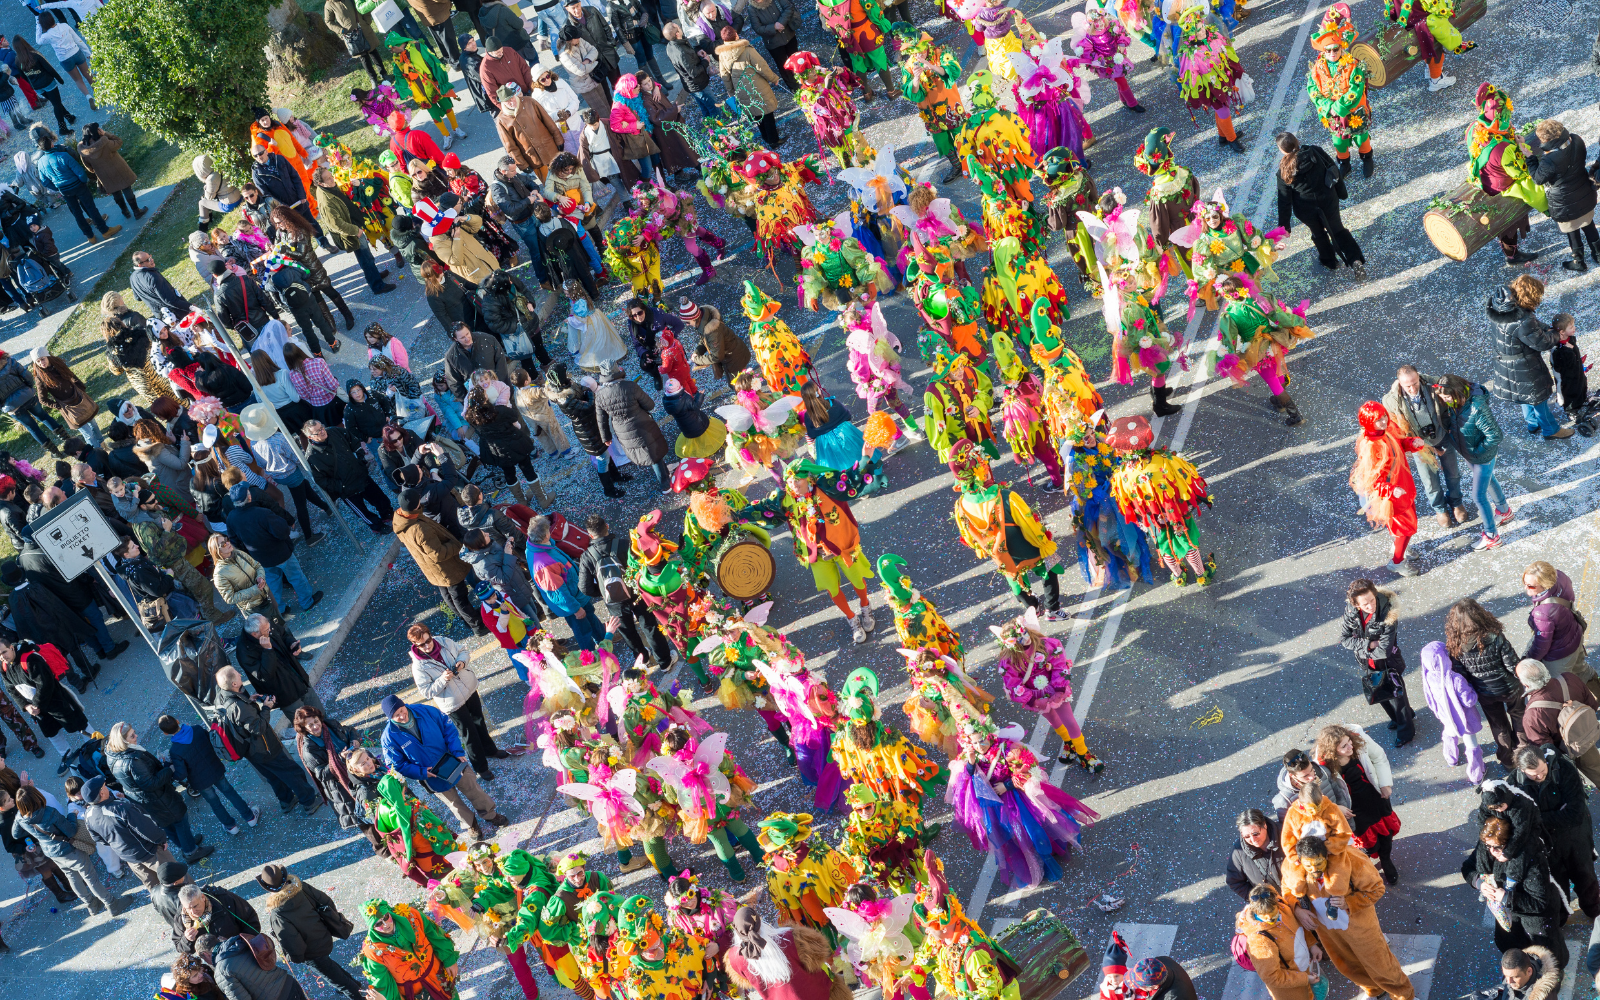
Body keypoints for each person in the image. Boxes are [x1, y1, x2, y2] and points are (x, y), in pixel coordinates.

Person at [380, 694, 509, 838]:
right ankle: (471, 825)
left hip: (452, 761)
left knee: (474, 789)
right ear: (389, 718)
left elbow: (449, 730)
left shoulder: (425, 711)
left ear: (404, 705)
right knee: (453, 803)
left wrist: (457, 751)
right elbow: (397, 765)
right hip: (430, 776)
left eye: (402, 710)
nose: (402, 716)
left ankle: (490, 814)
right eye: (397, 715)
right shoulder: (389, 737)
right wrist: (421, 772)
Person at [102, 722, 216, 864]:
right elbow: (150, 783)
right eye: (132, 736)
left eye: (134, 732)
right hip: (158, 798)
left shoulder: (113, 754)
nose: (136, 736)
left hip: (145, 800)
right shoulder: (132, 761)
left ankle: (186, 843)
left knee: (168, 824)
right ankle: (191, 851)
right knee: (180, 819)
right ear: (123, 740)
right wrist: (169, 769)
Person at [215, 666, 322, 816]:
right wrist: (266, 707)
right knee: (292, 772)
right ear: (233, 684)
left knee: (273, 776)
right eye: (237, 674)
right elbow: (258, 728)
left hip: (251, 751)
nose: (240, 674)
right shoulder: (238, 707)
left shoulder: (222, 696)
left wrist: (249, 700)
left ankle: (287, 801)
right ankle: (309, 801)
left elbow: (240, 718)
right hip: (265, 747)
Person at [407, 622, 507, 778]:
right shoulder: (419, 666)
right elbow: (426, 691)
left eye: (428, 641)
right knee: (469, 734)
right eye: (422, 645)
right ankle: (481, 768)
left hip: (469, 688)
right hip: (452, 703)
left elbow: (463, 651)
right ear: (415, 645)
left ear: (431, 636)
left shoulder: (443, 641)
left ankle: (490, 750)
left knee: (480, 721)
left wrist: (462, 662)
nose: (427, 646)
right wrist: (442, 680)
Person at [1511, 743, 1599, 919]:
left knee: (1585, 877)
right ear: (1522, 770)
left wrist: (1538, 818)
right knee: (1557, 883)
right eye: (1534, 775)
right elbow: (1519, 819)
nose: (1541, 776)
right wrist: (1558, 813)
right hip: (1545, 845)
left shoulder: (1562, 768)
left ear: (1545, 760)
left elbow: (1575, 813)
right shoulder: (1514, 784)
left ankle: (1595, 910)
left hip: (1575, 838)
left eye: (1543, 771)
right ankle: (1561, 916)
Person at [11, 785, 128, 916]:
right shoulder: (49, 812)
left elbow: (15, 834)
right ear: (37, 797)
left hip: (51, 853)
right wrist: (72, 815)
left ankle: (92, 905)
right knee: (90, 877)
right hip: (68, 849)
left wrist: (35, 835)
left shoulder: (20, 817)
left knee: (72, 877)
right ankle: (111, 904)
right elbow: (71, 830)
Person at [1469, 815, 1569, 968]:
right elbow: (1468, 867)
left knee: (1547, 966)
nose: (1491, 852)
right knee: (1517, 961)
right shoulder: (1489, 845)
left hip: (1536, 925)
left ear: (1509, 844)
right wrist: (1480, 883)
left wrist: (1507, 898)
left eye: (1496, 848)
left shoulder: (1533, 860)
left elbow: (1539, 902)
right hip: (1509, 925)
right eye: (1487, 846)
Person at [254, 863, 363, 1000]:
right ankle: (354, 984)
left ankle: (359, 994)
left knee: (334, 978)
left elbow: (291, 941)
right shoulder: (301, 887)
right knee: (329, 967)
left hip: (311, 952)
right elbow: (325, 901)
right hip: (324, 936)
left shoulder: (277, 912)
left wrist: (294, 958)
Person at [578, 512, 672, 667]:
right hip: (636, 594)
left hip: (614, 602)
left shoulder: (587, 557)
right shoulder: (624, 544)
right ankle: (665, 662)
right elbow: (642, 568)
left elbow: (584, 587)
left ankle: (644, 660)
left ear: (590, 535)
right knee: (649, 626)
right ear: (606, 526)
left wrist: (603, 592)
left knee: (628, 633)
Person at [1487, 275, 1571, 440]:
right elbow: (1541, 342)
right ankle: (1551, 430)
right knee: (1537, 399)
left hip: (1506, 363)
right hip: (1524, 366)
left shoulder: (1503, 307)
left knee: (1525, 396)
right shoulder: (1523, 319)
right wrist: (1556, 335)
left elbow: (1532, 327)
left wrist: (1547, 328)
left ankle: (1532, 423)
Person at [1313, 724, 1399, 883]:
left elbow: (1378, 756)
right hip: (1354, 809)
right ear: (1332, 750)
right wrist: (1336, 808)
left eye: (1349, 742)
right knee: (1367, 844)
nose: (1350, 746)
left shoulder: (1358, 739)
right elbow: (1320, 793)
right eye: (1344, 746)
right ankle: (1368, 866)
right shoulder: (1322, 766)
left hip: (1375, 796)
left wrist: (1385, 784)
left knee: (1386, 834)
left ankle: (1386, 861)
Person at [1444, 598, 1524, 769]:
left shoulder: (1455, 645)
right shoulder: (1495, 636)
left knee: (1498, 725)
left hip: (1485, 694)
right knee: (1518, 716)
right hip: (1509, 687)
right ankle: (1523, 752)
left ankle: (1508, 759)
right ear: (1480, 615)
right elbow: (1512, 664)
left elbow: (1461, 676)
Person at [1435, 374, 1511, 550]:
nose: (1445, 401)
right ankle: (1504, 511)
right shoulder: (1456, 403)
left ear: (1458, 392)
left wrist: (1478, 452)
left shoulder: (1477, 407)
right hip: (1470, 454)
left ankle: (1491, 536)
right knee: (1490, 480)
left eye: (1447, 397)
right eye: (1442, 398)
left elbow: (1496, 435)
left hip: (1481, 457)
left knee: (1478, 496)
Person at [1382, 365, 1463, 529]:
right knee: (1430, 481)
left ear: (1419, 377)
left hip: (1442, 436)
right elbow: (1395, 429)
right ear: (1399, 383)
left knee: (1453, 474)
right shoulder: (1390, 401)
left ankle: (1456, 503)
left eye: (1415, 383)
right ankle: (1440, 509)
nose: (1412, 389)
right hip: (1418, 445)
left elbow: (1453, 401)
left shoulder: (1434, 385)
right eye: (1408, 386)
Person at [1348, 401, 1423, 576]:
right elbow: (1371, 479)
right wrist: (1389, 490)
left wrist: (1412, 443)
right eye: (1378, 420)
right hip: (1393, 494)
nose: (1383, 421)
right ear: (1368, 423)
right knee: (1405, 526)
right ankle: (1397, 561)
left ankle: (1401, 547)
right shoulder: (1371, 447)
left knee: (1402, 526)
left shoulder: (1387, 430)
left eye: (1384, 417)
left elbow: (1400, 445)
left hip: (1401, 488)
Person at [225, 482, 324, 614]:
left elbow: (235, 541)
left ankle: (280, 609)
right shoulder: (262, 513)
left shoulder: (231, 518)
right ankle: (307, 601)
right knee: (296, 576)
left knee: (272, 583)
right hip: (281, 553)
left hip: (261, 559)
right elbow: (282, 530)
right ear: (248, 497)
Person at [393, 490, 483, 632]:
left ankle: (467, 620)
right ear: (416, 504)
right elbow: (437, 553)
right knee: (459, 597)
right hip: (445, 567)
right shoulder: (419, 528)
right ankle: (477, 626)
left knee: (448, 595)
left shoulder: (400, 518)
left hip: (431, 569)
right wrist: (458, 544)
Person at [1338, 578, 1415, 744]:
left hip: (1388, 662)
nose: (1370, 606)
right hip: (1368, 663)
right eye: (1365, 604)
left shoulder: (1388, 613)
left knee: (1397, 697)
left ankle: (1406, 732)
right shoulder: (1351, 611)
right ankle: (1400, 718)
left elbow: (1384, 650)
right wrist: (1369, 644)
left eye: (1372, 600)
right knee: (1381, 694)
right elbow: (1344, 639)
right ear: (1356, 604)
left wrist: (1360, 648)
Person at [159, 713, 261, 836]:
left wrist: (168, 766)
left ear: (165, 733)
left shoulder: (174, 750)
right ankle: (250, 817)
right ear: (177, 720)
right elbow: (210, 743)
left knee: (215, 803)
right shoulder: (197, 729)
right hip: (215, 768)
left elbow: (181, 774)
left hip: (200, 781)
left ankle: (231, 826)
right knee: (230, 792)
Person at [291, 706, 378, 850]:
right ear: (304, 728)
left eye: (316, 721)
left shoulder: (330, 725)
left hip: (359, 773)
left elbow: (350, 731)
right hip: (342, 787)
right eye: (310, 725)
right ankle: (383, 849)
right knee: (364, 819)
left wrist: (355, 740)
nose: (315, 726)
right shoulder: (309, 749)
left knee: (375, 808)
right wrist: (339, 759)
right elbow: (321, 774)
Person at [78, 774, 177, 889]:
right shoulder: (121, 808)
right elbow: (146, 828)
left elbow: (99, 839)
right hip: (150, 852)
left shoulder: (88, 815)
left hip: (130, 859)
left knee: (155, 888)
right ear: (101, 793)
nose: (106, 788)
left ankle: (164, 906)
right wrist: (161, 839)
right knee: (177, 878)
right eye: (104, 786)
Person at [525, 514, 609, 649]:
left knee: (590, 617)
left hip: (576, 596)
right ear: (546, 535)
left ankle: (603, 639)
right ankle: (591, 657)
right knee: (583, 631)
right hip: (572, 602)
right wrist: (575, 608)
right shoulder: (543, 564)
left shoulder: (536, 546)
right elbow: (558, 593)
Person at [311, 167, 397, 295]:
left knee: (366, 256)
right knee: (365, 258)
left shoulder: (328, 187)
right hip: (352, 232)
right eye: (328, 178)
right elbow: (336, 224)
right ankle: (377, 285)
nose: (332, 179)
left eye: (331, 175)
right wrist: (355, 230)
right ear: (321, 184)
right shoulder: (326, 202)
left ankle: (374, 276)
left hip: (355, 225)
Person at [1516, 658, 1600, 788]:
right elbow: (1593, 705)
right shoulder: (1569, 678)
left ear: (1526, 685)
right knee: (1596, 769)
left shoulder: (1532, 715)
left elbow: (1545, 750)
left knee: (1569, 787)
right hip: (1585, 737)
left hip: (1563, 752)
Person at [1527, 120, 1598, 272]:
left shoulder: (1550, 159)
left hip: (1564, 202)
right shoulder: (1577, 140)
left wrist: (1530, 158)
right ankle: (1598, 254)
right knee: (1588, 223)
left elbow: (1538, 179)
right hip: (1584, 192)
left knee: (1572, 230)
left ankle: (1578, 262)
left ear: (1546, 140)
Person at [302, 419, 393, 533]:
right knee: (362, 511)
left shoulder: (334, 431)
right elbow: (321, 480)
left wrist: (361, 459)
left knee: (379, 497)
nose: (322, 431)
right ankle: (377, 526)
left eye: (321, 427)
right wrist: (340, 486)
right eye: (318, 431)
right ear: (310, 437)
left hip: (359, 474)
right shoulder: (312, 456)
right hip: (346, 489)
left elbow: (353, 440)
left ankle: (387, 514)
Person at [594, 359, 671, 489]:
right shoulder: (630, 386)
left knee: (648, 454)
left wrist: (606, 437)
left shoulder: (600, 395)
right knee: (654, 455)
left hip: (622, 431)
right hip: (643, 425)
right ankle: (665, 485)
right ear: (617, 370)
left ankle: (665, 474)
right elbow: (650, 405)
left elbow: (601, 419)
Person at [35, 127, 120, 243]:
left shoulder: (41, 163)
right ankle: (105, 231)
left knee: (77, 213)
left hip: (64, 191)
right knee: (91, 208)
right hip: (78, 186)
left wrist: (57, 187)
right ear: (51, 145)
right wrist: (83, 181)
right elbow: (79, 171)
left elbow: (45, 181)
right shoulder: (63, 156)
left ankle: (90, 237)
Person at [1521, 560, 1595, 693]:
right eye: (1524, 583)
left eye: (1531, 586)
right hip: (1575, 636)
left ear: (1545, 585)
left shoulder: (1542, 613)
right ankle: (1597, 690)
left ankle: (1579, 707)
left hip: (1560, 654)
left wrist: (1529, 661)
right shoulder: (1560, 576)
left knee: (1560, 687)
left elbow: (1541, 645)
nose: (1526, 588)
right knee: (1582, 669)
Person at [236, 613, 319, 723]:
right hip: (286, 694)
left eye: (269, 626)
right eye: (266, 630)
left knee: (320, 715)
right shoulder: (244, 652)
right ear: (255, 634)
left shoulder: (267, 626)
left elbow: (283, 634)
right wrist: (268, 651)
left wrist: (292, 644)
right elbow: (264, 675)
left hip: (300, 679)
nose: (270, 630)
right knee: (306, 725)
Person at [715, 27, 782, 146]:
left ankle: (766, 137)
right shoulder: (746, 49)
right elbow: (761, 66)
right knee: (766, 113)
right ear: (736, 35)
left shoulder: (722, 55)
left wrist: (731, 92)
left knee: (756, 114)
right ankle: (774, 140)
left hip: (741, 89)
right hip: (757, 85)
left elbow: (725, 76)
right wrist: (773, 78)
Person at [77, 122, 142, 219]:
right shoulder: (104, 142)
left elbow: (89, 168)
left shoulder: (83, 150)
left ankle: (125, 212)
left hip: (104, 175)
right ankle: (136, 212)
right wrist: (106, 134)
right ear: (96, 131)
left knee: (115, 193)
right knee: (126, 189)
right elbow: (119, 141)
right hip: (119, 169)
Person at [1226, 808, 1293, 901]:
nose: (1253, 840)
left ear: (1264, 825)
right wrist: (1259, 899)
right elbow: (1234, 882)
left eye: (1256, 833)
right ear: (1241, 834)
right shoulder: (1239, 852)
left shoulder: (1285, 833)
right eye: (1247, 836)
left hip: (1300, 895)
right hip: (1273, 907)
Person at [662, 20, 718, 117]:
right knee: (714, 108)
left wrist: (696, 52)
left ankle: (710, 129)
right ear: (677, 34)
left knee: (705, 109)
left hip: (691, 86)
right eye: (678, 27)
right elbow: (693, 72)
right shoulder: (681, 51)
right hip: (698, 85)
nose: (680, 27)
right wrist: (706, 61)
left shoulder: (670, 46)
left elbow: (685, 61)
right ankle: (718, 129)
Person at [562, 0, 621, 89]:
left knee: (619, 84)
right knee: (605, 91)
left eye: (577, 6)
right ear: (567, 9)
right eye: (573, 8)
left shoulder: (592, 10)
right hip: (593, 63)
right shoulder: (568, 25)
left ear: (580, 3)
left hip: (608, 54)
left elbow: (605, 27)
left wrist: (611, 43)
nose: (577, 10)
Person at [1549, 314, 1586, 416]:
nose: (1574, 328)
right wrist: (1568, 350)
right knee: (1571, 393)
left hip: (1577, 371)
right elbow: (1558, 367)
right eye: (1571, 327)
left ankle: (1581, 400)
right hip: (1568, 378)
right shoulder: (1557, 349)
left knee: (1581, 385)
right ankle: (1571, 410)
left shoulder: (1570, 339)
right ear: (1562, 331)